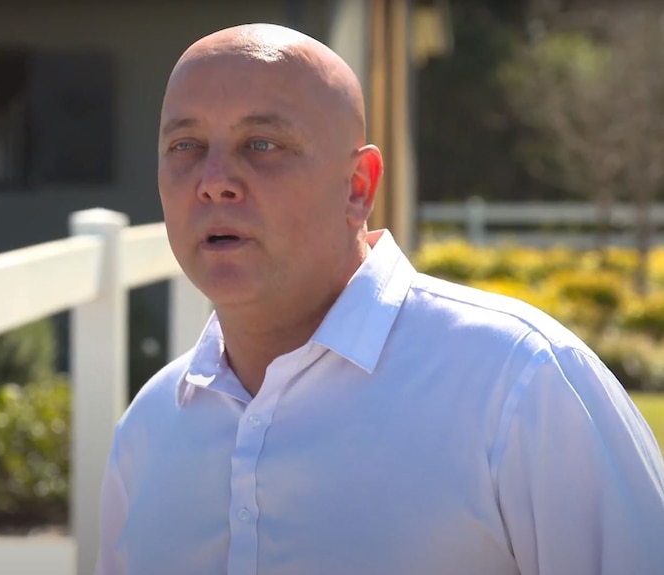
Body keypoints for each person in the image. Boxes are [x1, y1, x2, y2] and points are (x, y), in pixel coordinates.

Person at [95, 23, 664, 575]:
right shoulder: (150, 428)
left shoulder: (519, 383)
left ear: (358, 187)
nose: (213, 179)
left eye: (261, 144)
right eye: (185, 145)